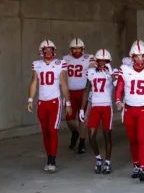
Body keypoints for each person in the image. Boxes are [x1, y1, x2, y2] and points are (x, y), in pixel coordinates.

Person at [115, 43, 144, 182]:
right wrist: (117, 101)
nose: (140, 59)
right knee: (133, 139)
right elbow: (120, 87)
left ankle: (143, 167)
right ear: (131, 57)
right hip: (128, 108)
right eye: (137, 56)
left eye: (142, 56)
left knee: (142, 139)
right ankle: (136, 164)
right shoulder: (125, 69)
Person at [27, 40, 72, 172]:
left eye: (50, 49)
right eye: (45, 50)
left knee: (53, 131)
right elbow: (34, 83)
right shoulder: (37, 65)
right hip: (41, 102)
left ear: (54, 50)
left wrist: (67, 102)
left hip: (54, 101)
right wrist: (30, 99)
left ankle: (52, 160)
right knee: (45, 131)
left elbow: (64, 84)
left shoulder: (60, 64)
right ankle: (49, 156)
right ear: (41, 51)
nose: (48, 52)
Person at [79, 49, 116, 174]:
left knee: (107, 136)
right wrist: (82, 108)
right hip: (95, 106)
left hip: (107, 106)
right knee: (91, 135)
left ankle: (108, 162)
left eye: (104, 61)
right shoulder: (91, 72)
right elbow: (86, 90)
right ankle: (98, 158)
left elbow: (118, 84)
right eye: (99, 60)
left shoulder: (112, 72)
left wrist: (110, 73)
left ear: (108, 61)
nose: (101, 63)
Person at [62, 38, 94, 153]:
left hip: (83, 92)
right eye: (74, 48)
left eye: (78, 48)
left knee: (82, 118)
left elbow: (93, 74)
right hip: (70, 92)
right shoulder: (65, 59)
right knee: (69, 118)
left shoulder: (88, 58)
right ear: (70, 49)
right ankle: (75, 133)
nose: (76, 50)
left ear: (82, 49)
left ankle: (82, 141)